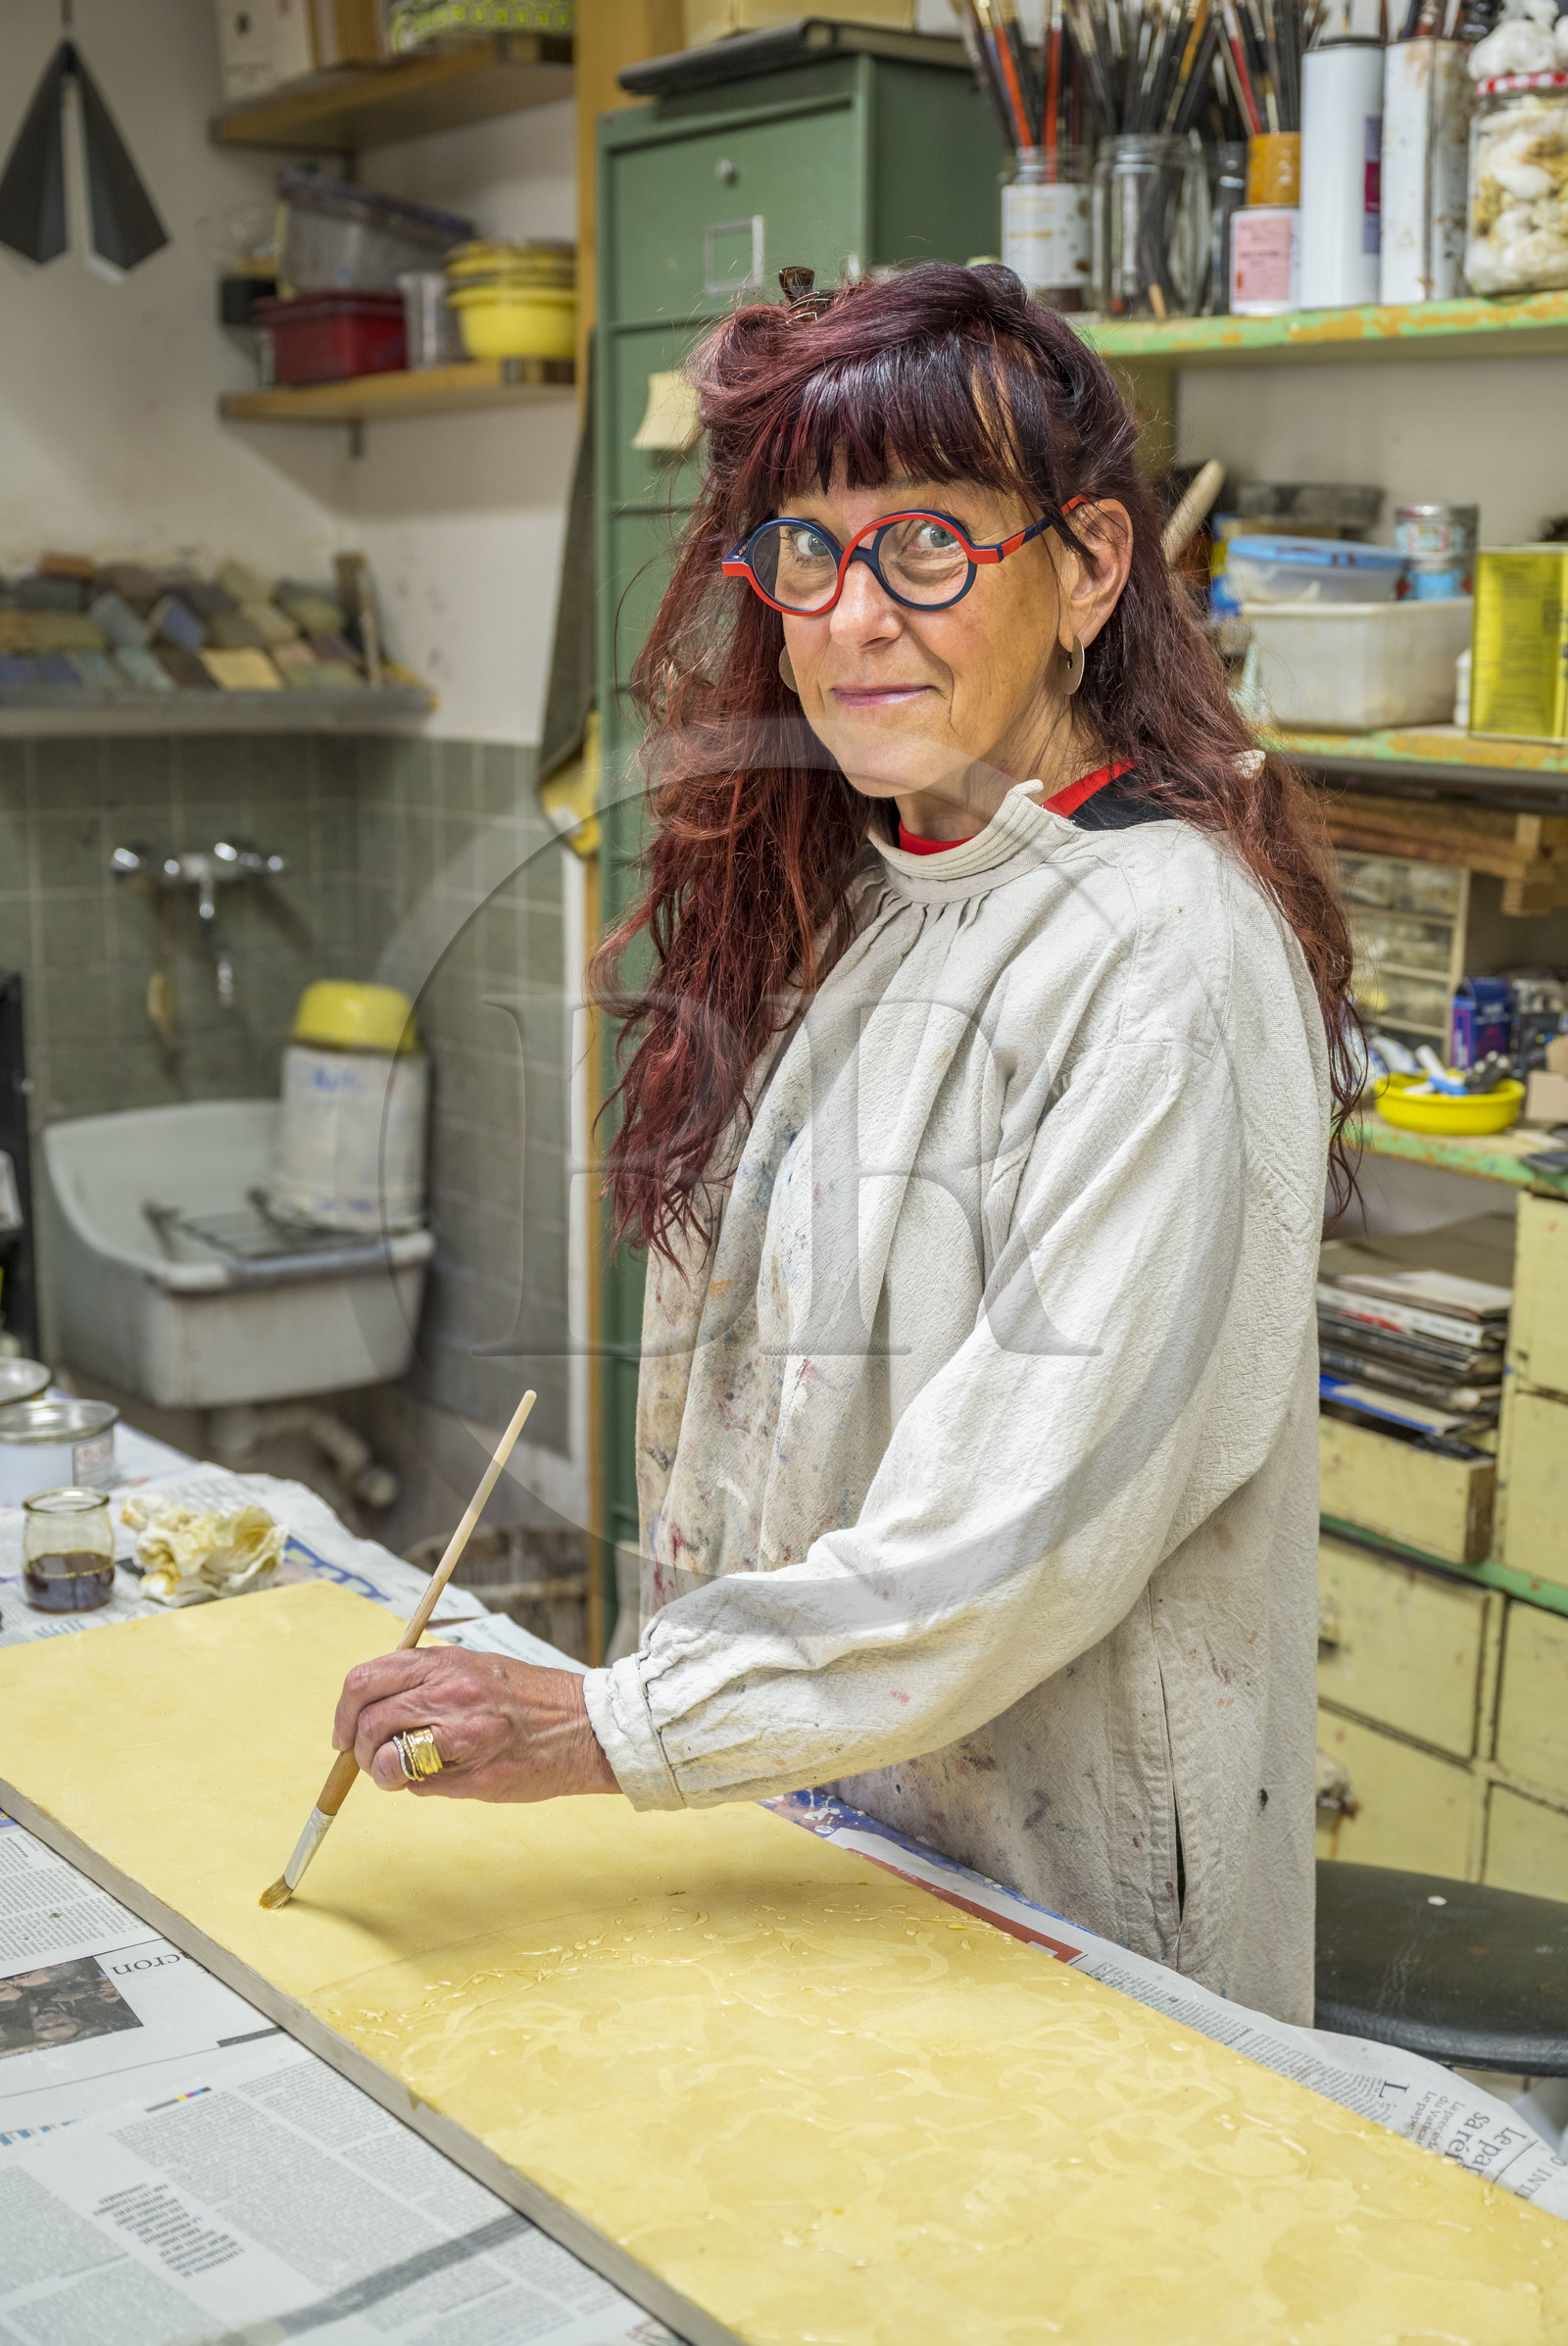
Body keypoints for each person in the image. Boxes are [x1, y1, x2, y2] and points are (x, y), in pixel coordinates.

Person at [332, 264, 1355, 2026]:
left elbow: (1020, 1522)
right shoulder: (880, 893)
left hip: (1066, 1916)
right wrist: (678, 1724)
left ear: (1091, 567)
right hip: (838, 1840)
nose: (854, 616)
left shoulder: (1165, 961)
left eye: (930, 546)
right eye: (806, 550)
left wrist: (623, 1720)